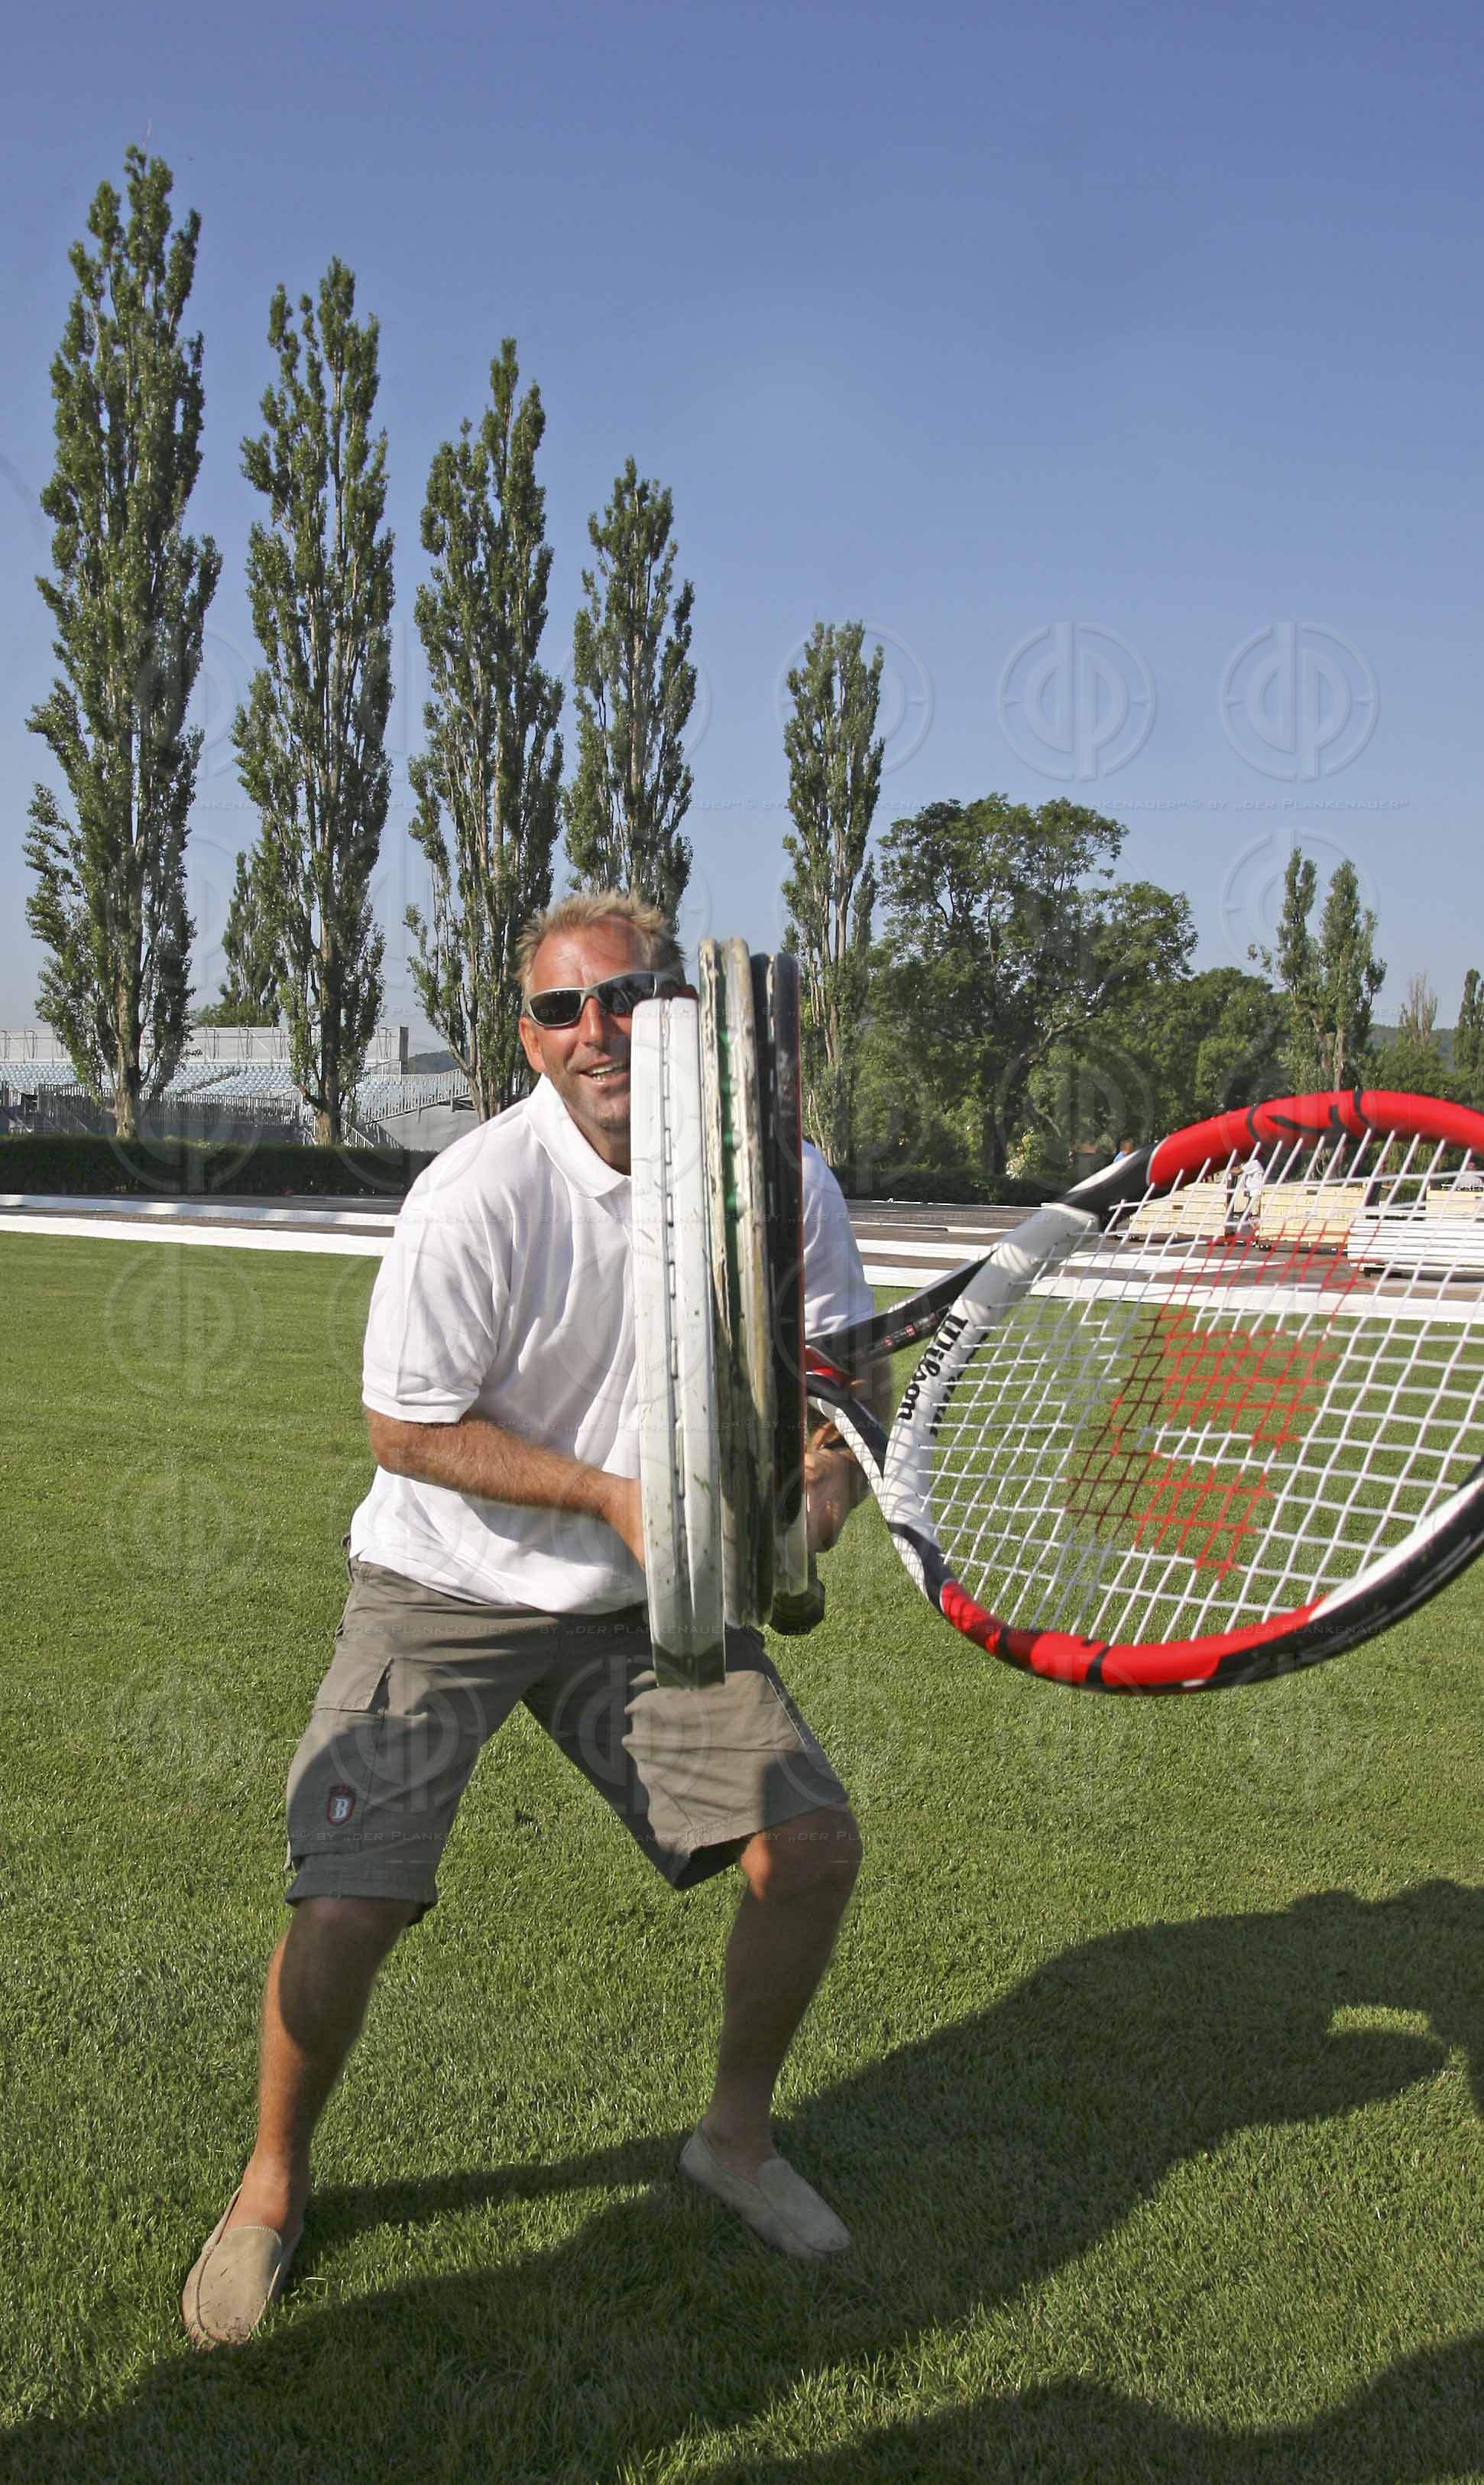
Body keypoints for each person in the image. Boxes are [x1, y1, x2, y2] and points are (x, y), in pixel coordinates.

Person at [183, 893, 881, 2348]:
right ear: (527, 1038)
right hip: (447, 1585)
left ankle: (733, 2143)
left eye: (624, 998)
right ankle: (269, 2186)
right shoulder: (477, 1192)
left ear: (678, 1007)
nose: (597, 1032)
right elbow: (404, 1426)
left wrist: (817, 1499)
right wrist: (611, 1495)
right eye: (563, 1011)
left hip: (645, 1602)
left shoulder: (777, 1176)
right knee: (349, 1896)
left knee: (805, 1847)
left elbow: (840, 1387)